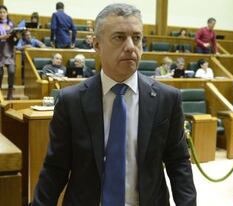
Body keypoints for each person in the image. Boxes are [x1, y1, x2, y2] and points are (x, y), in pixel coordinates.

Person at [32, 3, 196, 206]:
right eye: (119, 37)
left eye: (137, 38)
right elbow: (55, 168)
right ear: (97, 44)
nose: (130, 46)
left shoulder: (167, 99)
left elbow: (178, 162)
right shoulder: (71, 101)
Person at [0, 5, 17, 99]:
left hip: (9, 51)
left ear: (7, 13)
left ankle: (10, 93)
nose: (2, 14)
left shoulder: (11, 24)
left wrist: (16, 36)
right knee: (0, 73)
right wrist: (2, 37)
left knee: (11, 71)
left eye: (4, 12)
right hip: (0, 52)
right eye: (0, 12)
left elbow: (15, 41)